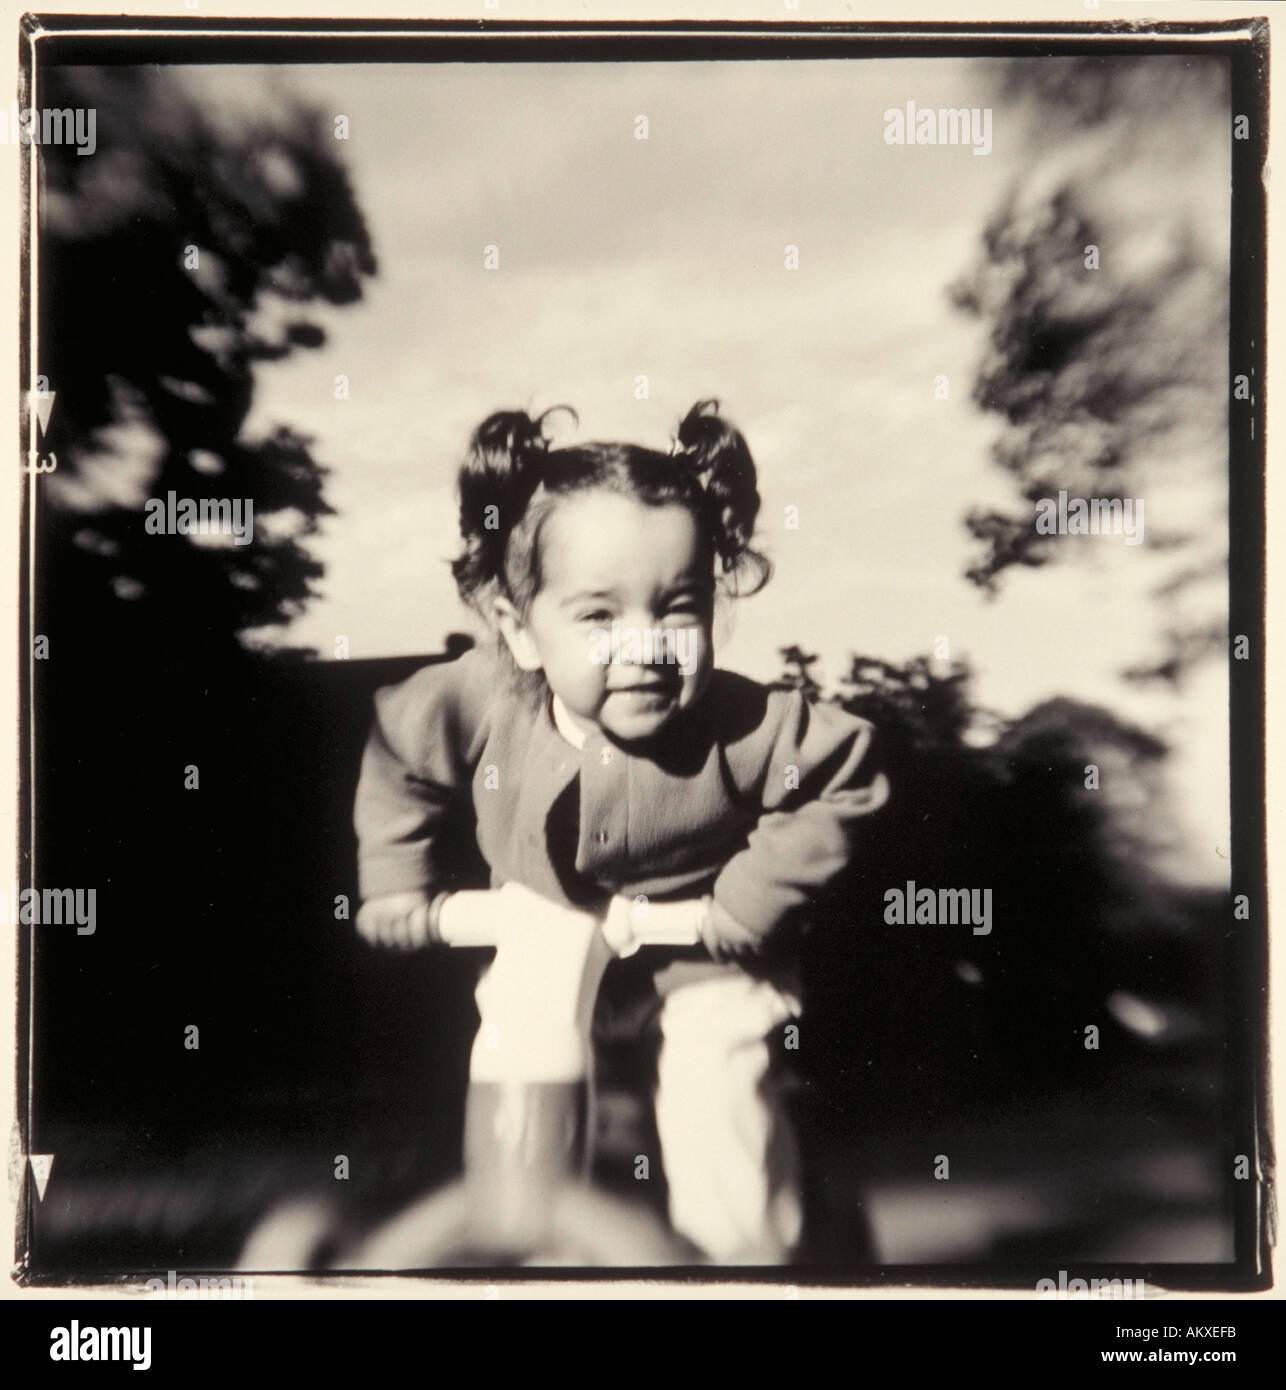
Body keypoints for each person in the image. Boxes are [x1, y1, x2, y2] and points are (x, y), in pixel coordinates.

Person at [353, 399, 889, 1263]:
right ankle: (520, 1225)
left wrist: (748, 902)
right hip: (545, 913)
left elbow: (844, 777)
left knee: (720, 1084)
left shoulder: (752, 726)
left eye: (678, 608)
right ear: (518, 630)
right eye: (599, 617)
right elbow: (398, 754)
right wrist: (394, 882)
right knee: (522, 1022)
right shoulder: (476, 698)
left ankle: (740, 1262)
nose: (645, 647)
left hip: (705, 934)